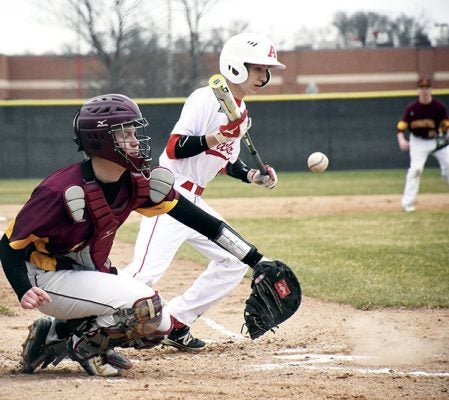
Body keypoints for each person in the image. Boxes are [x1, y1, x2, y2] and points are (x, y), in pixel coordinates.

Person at [0, 93, 271, 377]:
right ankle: (86, 346)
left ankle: (53, 335)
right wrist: (23, 289)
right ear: (101, 140)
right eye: (125, 134)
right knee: (145, 306)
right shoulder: (59, 190)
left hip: (79, 275)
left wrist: (255, 259)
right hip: (44, 281)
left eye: (134, 132)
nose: (136, 140)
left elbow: (200, 220)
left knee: (160, 326)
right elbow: (8, 246)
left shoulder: (134, 181)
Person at [124, 33, 285, 351]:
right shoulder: (205, 98)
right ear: (236, 66)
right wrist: (219, 134)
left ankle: (176, 321)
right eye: (258, 70)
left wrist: (253, 175)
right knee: (145, 273)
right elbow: (175, 147)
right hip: (169, 196)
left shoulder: (241, 110)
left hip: (195, 199)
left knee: (233, 260)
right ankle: (81, 325)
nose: (263, 77)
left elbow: (225, 160)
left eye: (266, 71)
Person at [396, 77, 449, 212]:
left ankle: (445, 173)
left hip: (437, 141)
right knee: (415, 170)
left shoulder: (438, 108)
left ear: (431, 90)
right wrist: (402, 140)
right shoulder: (412, 109)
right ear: (418, 90)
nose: (424, 91)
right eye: (422, 88)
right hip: (418, 142)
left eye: (427, 88)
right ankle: (407, 204)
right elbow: (401, 127)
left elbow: (446, 125)